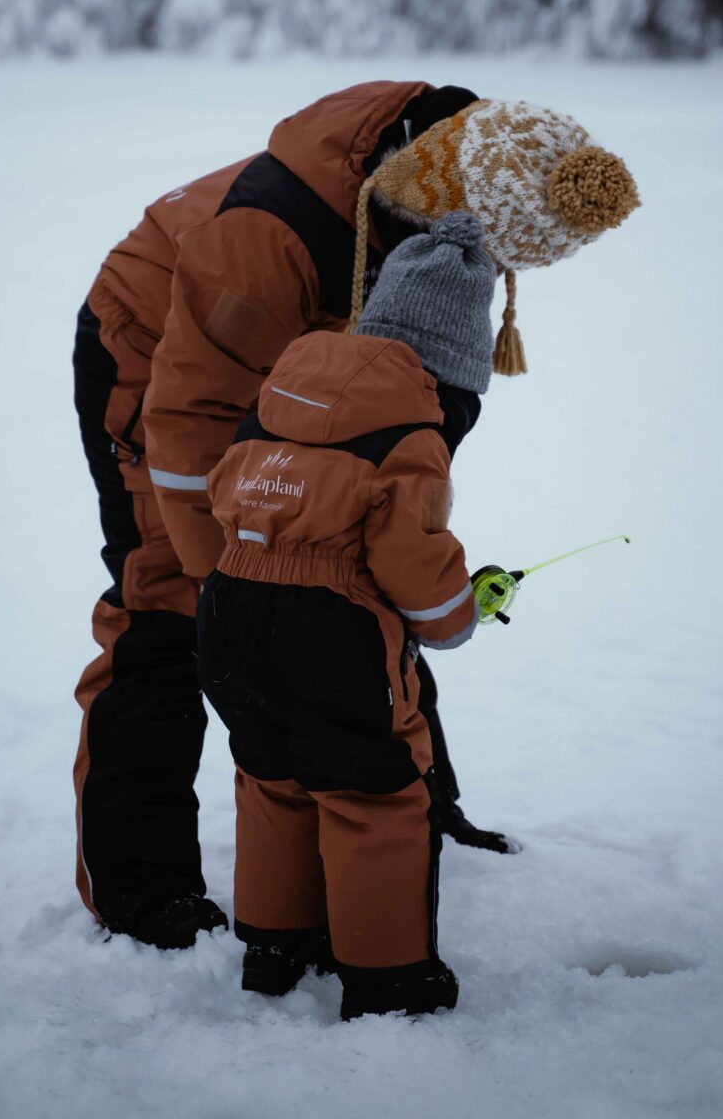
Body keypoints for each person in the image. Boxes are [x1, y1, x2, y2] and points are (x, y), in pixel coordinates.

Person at [72, 83, 640, 951]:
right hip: (155, 347)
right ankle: (141, 885)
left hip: (302, 360)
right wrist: (228, 587)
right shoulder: (272, 233)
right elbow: (186, 421)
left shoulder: (472, 173)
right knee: (169, 606)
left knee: (353, 576)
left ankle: (417, 803)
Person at [199, 210, 495, 1019]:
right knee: (373, 793)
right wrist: (457, 615)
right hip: (329, 630)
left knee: (274, 774)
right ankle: (390, 979)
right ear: (450, 365)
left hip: (228, 605)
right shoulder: (413, 427)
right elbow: (413, 565)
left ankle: (274, 942)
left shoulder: (286, 393)